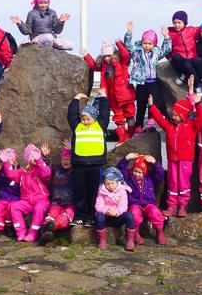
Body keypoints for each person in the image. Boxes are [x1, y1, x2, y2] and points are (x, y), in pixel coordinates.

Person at [148, 93, 202, 217]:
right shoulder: (170, 125)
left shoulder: (191, 125)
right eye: (173, 114)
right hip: (172, 159)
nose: (173, 117)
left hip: (185, 159)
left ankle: (183, 206)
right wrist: (152, 106)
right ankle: (172, 206)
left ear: (183, 115)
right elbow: (160, 119)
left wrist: (198, 104)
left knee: (184, 183)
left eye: (176, 115)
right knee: (173, 182)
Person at [67, 92, 111, 225]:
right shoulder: (77, 126)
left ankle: (91, 216)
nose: (85, 122)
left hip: (95, 165)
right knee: (80, 191)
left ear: (94, 119)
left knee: (94, 192)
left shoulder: (100, 125)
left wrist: (103, 98)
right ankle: (79, 216)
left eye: (88, 119)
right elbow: (71, 116)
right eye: (83, 119)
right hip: (79, 165)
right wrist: (75, 100)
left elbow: (105, 113)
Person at [83, 39, 135, 142]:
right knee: (119, 120)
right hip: (113, 98)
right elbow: (94, 66)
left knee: (130, 116)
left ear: (113, 54)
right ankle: (122, 139)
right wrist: (86, 55)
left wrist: (119, 43)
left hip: (126, 96)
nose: (107, 58)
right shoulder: (103, 67)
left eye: (109, 55)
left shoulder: (121, 62)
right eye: (105, 56)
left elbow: (126, 54)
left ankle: (131, 137)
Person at [124, 22, 172, 132]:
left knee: (152, 102)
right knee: (141, 104)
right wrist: (129, 32)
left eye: (150, 44)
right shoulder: (137, 52)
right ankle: (138, 126)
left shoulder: (156, 52)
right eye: (145, 43)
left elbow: (167, 49)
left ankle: (151, 121)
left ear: (154, 44)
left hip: (153, 81)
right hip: (141, 82)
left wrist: (166, 37)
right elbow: (128, 46)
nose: (147, 46)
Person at [6, 144, 52, 243]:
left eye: (35, 154)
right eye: (31, 155)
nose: (34, 157)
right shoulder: (23, 171)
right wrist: (6, 162)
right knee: (14, 206)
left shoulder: (39, 169)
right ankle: (21, 232)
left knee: (39, 208)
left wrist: (39, 160)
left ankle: (33, 233)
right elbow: (11, 174)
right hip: (26, 201)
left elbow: (47, 173)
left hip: (41, 200)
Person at [118, 153, 167, 245]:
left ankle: (160, 233)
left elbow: (160, 173)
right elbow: (120, 170)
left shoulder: (150, 178)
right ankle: (136, 234)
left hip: (149, 203)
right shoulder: (129, 178)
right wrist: (127, 158)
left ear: (144, 172)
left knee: (156, 213)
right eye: (135, 171)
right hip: (135, 204)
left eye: (140, 172)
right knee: (135, 215)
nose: (136, 174)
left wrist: (154, 163)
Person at [165, 6, 202, 88]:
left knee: (196, 61)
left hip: (192, 58)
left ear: (185, 22)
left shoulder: (191, 30)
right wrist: (169, 57)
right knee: (177, 58)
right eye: (174, 23)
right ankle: (197, 84)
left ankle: (199, 81)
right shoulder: (170, 34)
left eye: (179, 22)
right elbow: (166, 47)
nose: (176, 25)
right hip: (180, 60)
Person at [38, 143, 76, 245]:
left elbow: (80, 164)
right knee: (51, 215)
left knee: (66, 216)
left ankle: (51, 227)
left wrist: (73, 150)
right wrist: (45, 157)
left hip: (70, 202)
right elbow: (47, 169)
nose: (65, 161)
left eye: (68, 159)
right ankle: (45, 232)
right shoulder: (57, 168)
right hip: (56, 201)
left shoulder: (75, 170)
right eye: (64, 159)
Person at [94, 167, 136, 252]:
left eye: (112, 183)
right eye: (107, 184)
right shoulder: (101, 191)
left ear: (117, 182)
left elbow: (123, 205)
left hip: (117, 216)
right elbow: (98, 205)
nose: (110, 186)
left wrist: (117, 212)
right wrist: (106, 211)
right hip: (106, 217)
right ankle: (102, 241)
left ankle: (130, 241)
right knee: (99, 217)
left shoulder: (122, 191)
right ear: (104, 184)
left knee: (129, 216)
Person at [0, 149, 21, 239]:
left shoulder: (19, 171)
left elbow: (19, 185)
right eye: (6, 160)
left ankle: (9, 227)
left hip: (15, 197)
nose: (8, 162)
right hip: (3, 196)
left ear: (15, 160)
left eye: (11, 160)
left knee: (11, 209)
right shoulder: (1, 171)